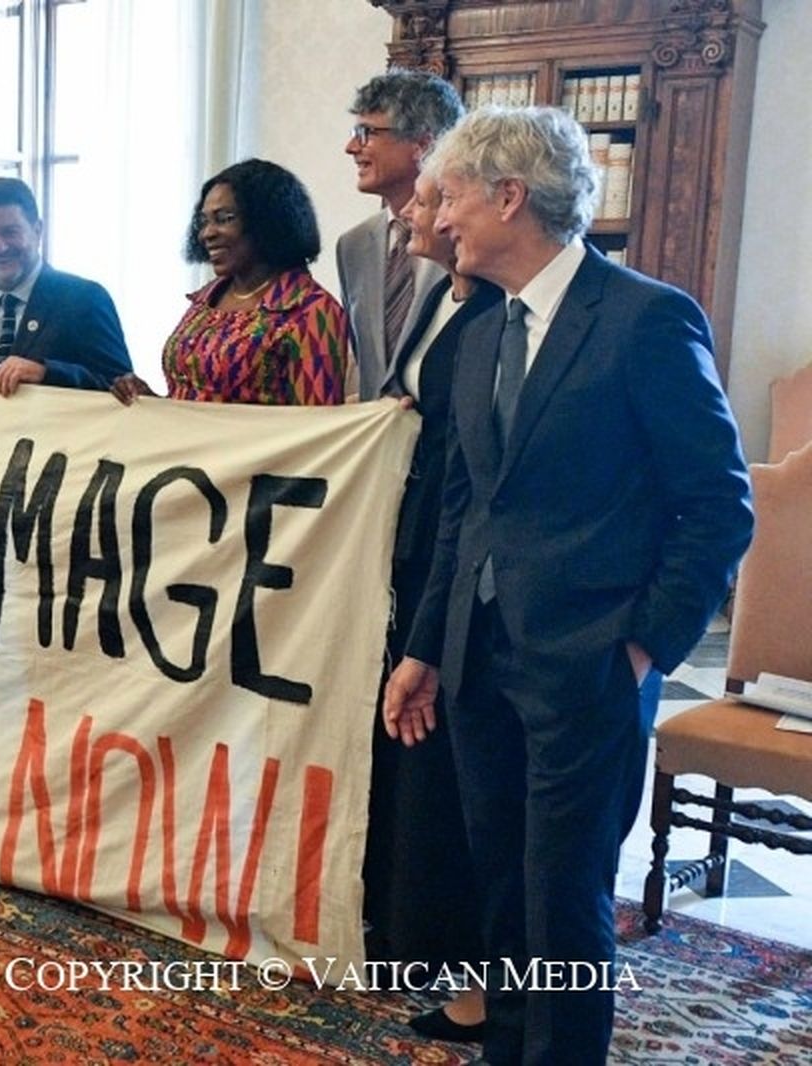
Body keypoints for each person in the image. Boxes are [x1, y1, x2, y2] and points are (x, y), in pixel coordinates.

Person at [382, 106, 753, 1066]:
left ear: (510, 196)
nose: (441, 216)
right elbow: (465, 515)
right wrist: (426, 649)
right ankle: (506, 1045)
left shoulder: (644, 319)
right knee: (498, 881)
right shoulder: (471, 337)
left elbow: (717, 507)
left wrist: (640, 650)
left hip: (587, 666)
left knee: (563, 897)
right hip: (475, 660)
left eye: (452, 194)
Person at [363, 168, 499, 1045]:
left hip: (477, 573)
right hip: (420, 544)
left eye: (435, 200)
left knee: (462, 773)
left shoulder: (500, 316)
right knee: (419, 758)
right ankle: (421, 939)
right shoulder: (440, 301)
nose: (417, 211)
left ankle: (489, 980)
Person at [111, 159, 346, 406]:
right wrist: (150, 401)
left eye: (224, 219)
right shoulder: (207, 298)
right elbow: (192, 400)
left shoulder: (311, 311)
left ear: (267, 222)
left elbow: (316, 428)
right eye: (204, 222)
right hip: (179, 443)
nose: (207, 233)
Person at [337, 70, 463, 400]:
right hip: (376, 442)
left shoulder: (465, 239)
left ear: (423, 145)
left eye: (366, 133)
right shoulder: (351, 246)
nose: (351, 148)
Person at [0, 176, 130, 396]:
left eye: (10, 232)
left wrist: (47, 373)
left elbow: (124, 390)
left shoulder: (86, 300)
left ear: (37, 230)